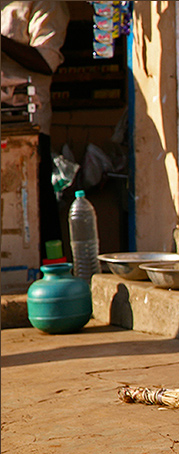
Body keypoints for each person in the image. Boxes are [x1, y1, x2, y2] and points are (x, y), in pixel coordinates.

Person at [1, 0, 69, 261]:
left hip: (27, 126)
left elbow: (46, 60)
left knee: (36, 216)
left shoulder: (46, 4)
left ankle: (50, 280)